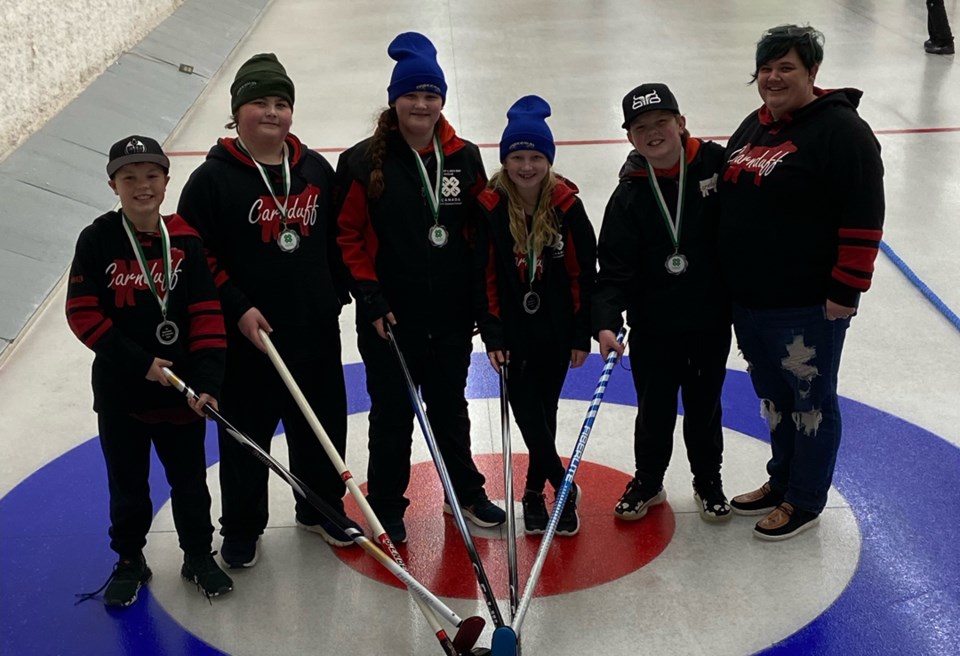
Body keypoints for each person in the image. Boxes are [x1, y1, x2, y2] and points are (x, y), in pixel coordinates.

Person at [177, 53, 357, 568]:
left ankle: (320, 507)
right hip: (246, 338)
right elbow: (197, 255)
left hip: (312, 329)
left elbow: (335, 240)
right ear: (237, 113)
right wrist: (236, 307)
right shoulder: (211, 181)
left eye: (281, 103)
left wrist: (334, 292)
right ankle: (241, 525)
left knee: (320, 423)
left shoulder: (315, 169)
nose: (272, 112)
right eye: (260, 102)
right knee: (245, 435)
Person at [336, 32, 505, 544]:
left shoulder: (464, 158)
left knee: (451, 406)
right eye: (412, 94)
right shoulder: (363, 161)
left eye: (432, 95)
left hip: (450, 315)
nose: (422, 104)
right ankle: (387, 505)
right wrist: (370, 298)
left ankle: (465, 494)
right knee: (392, 415)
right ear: (395, 100)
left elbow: (480, 238)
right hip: (391, 317)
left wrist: (483, 307)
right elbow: (346, 237)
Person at [719, 25, 885, 540]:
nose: (773, 77)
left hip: (805, 305)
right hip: (751, 302)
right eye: (766, 68)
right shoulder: (757, 125)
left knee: (810, 402)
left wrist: (845, 291)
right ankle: (782, 480)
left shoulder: (842, 133)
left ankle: (805, 498)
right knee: (774, 398)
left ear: (812, 72)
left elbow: (864, 215)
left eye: (786, 67)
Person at [67, 136, 233, 606]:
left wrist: (208, 382)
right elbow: (82, 313)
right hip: (122, 396)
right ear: (113, 185)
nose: (142, 186)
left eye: (152, 176)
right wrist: (140, 364)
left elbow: (206, 314)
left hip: (180, 395)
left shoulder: (185, 240)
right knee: (128, 485)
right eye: (129, 178)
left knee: (190, 483)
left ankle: (199, 555)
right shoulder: (97, 239)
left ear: (166, 180)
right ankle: (130, 559)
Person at [593, 84, 733, 525]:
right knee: (653, 408)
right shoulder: (630, 193)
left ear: (681, 122)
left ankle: (708, 479)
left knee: (704, 404)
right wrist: (606, 323)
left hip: (710, 319)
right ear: (631, 138)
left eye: (661, 123)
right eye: (641, 128)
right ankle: (649, 480)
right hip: (654, 324)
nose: (653, 134)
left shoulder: (717, 166)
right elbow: (613, 268)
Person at [474, 96, 597, 536]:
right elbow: (484, 275)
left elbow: (585, 272)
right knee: (525, 409)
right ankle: (561, 486)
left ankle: (532, 496)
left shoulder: (567, 205)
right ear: (505, 159)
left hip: (557, 330)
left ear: (549, 159)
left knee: (544, 411)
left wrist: (581, 333)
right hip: (512, 332)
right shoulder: (489, 207)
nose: (526, 166)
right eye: (517, 157)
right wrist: (491, 333)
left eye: (536, 157)